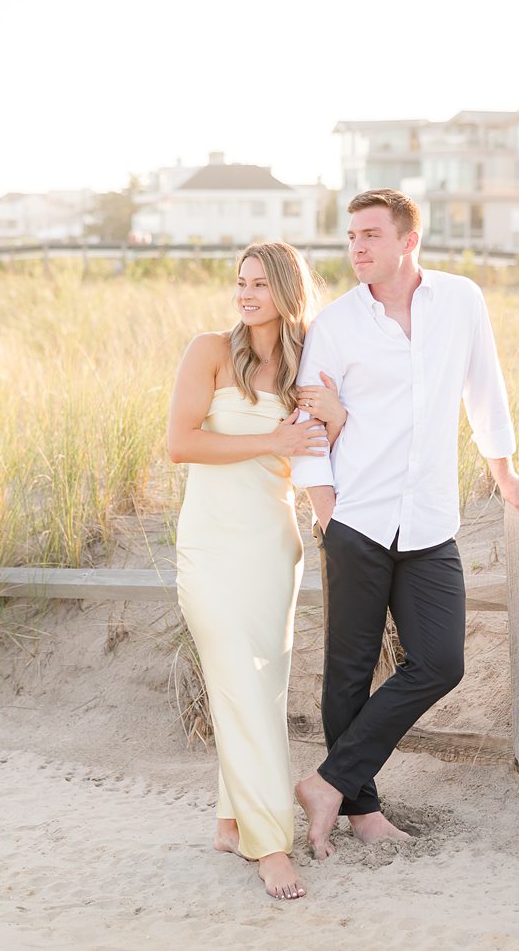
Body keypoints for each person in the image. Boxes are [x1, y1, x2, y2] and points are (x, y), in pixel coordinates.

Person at [291, 189, 519, 860]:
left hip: (430, 521)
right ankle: (362, 811)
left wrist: (506, 475)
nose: (357, 247)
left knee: (440, 660)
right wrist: (329, 518)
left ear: (409, 240)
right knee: (347, 671)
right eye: (351, 236)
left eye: (371, 234)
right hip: (357, 517)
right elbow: (307, 429)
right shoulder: (337, 324)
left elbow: (484, 390)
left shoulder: (460, 302)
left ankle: (327, 783)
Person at [167, 242, 344, 900]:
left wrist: (332, 415)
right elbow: (180, 442)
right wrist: (271, 438)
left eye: (259, 284)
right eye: (239, 282)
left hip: (273, 547)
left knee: (259, 687)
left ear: (287, 291)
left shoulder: (308, 366)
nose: (244, 294)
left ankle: (228, 819)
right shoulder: (209, 350)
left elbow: (328, 445)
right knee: (240, 678)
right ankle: (270, 843)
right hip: (210, 545)